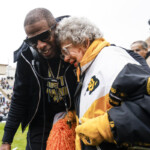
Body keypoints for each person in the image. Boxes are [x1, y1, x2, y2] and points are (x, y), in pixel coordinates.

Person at [55, 16, 150, 150]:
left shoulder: (112, 59)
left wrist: (106, 127)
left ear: (84, 42)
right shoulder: (88, 66)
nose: (65, 58)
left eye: (66, 50)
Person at [0, 8, 76, 150]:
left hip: (75, 113)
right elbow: (19, 98)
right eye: (33, 40)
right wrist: (6, 140)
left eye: (45, 36)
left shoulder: (73, 41)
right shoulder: (26, 56)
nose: (40, 45)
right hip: (41, 118)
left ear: (56, 29)